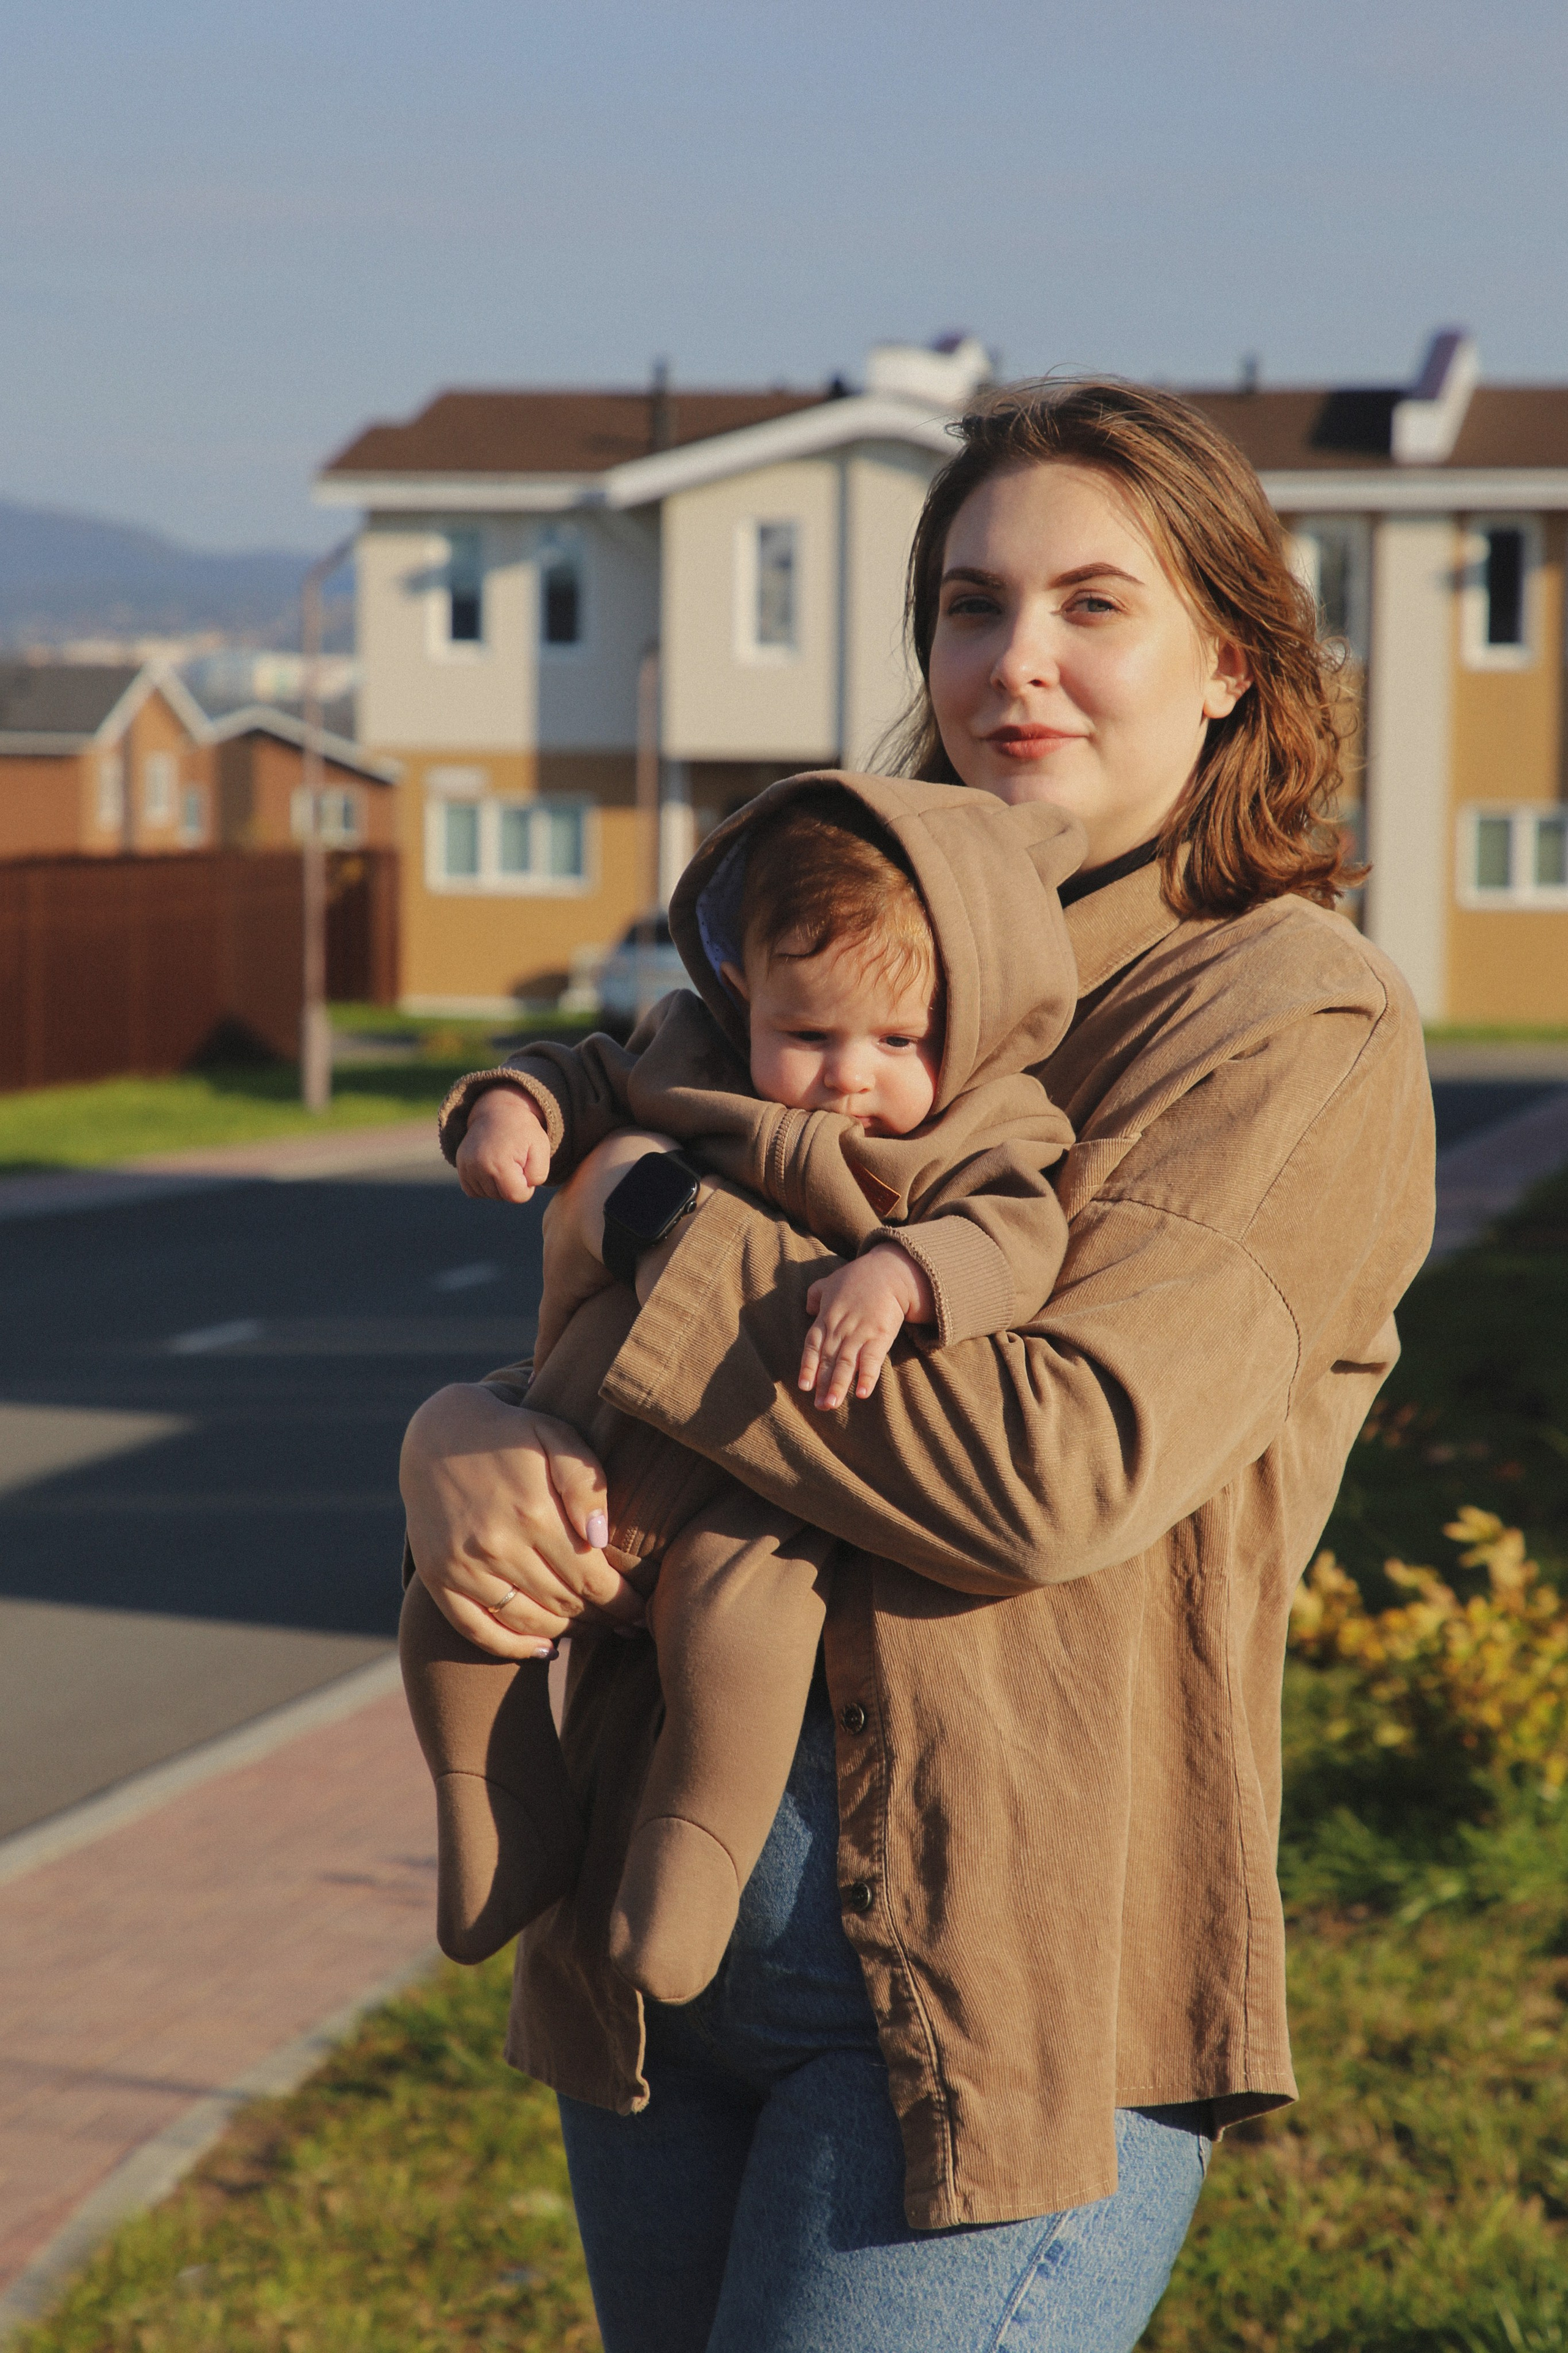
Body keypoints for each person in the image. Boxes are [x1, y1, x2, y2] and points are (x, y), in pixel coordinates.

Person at [398, 378, 1436, 2353]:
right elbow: (611, 1336)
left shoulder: (1285, 1017)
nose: (1014, 660)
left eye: (1092, 605)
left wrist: (643, 1215)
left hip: (994, 1981)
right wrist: (459, 1444)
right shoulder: (838, 949)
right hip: (649, 1941)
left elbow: (1045, 1466)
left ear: (1232, 662)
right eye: (972, 605)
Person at [402, 774, 1083, 2001]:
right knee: (461, 1605)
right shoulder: (692, 1054)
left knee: (741, 1638)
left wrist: (907, 1274)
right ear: (741, 989)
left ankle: (690, 1870)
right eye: (807, 1034)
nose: (846, 1077)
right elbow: (583, 1072)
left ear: (966, 1021)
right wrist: (508, 1109)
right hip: (579, 1437)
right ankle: (497, 1815)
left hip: (753, 1488)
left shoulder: (985, 1127)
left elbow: (1017, 1235)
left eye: (898, 1042)